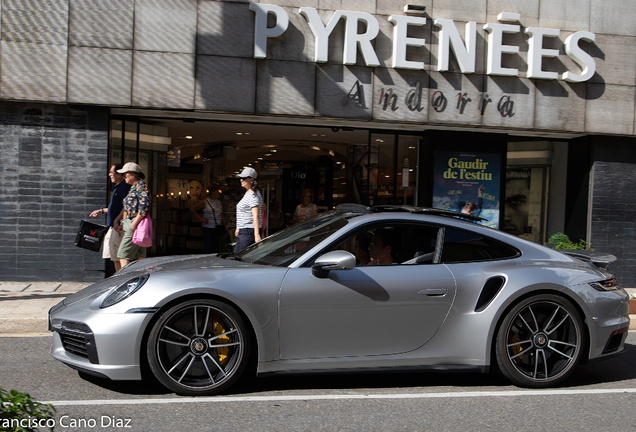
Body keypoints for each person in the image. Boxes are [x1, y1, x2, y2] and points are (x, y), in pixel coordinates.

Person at [89, 163, 131, 272]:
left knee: (119, 256)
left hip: (118, 227)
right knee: (114, 256)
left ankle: (122, 279)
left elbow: (126, 207)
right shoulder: (118, 188)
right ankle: (119, 279)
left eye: (111, 172)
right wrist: (102, 211)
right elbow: (115, 208)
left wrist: (118, 222)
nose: (109, 175)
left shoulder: (124, 187)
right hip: (114, 227)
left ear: (119, 174)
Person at [113, 162, 150, 267]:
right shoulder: (134, 187)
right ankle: (140, 281)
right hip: (132, 223)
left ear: (133, 174)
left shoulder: (141, 186)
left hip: (135, 224)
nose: (123, 176)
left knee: (123, 254)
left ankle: (126, 281)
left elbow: (144, 207)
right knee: (140, 256)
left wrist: (133, 224)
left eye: (125, 174)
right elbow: (128, 208)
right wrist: (121, 222)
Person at [234, 167, 262, 253]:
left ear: (252, 179)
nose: (241, 180)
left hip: (248, 230)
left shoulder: (253, 195)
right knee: (238, 257)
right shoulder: (248, 193)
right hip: (244, 230)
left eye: (244, 178)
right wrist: (238, 228)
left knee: (241, 258)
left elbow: (256, 215)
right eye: (240, 178)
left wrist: (256, 235)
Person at [190, 187, 225, 254]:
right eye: (217, 191)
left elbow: (221, 214)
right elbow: (192, 209)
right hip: (208, 227)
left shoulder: (219, 202)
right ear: (212, 192)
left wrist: (225, 225)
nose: (218, 193)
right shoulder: (205, 202)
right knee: (208, 247)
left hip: (217, 227)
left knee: (216, 247)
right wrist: (200, 219)